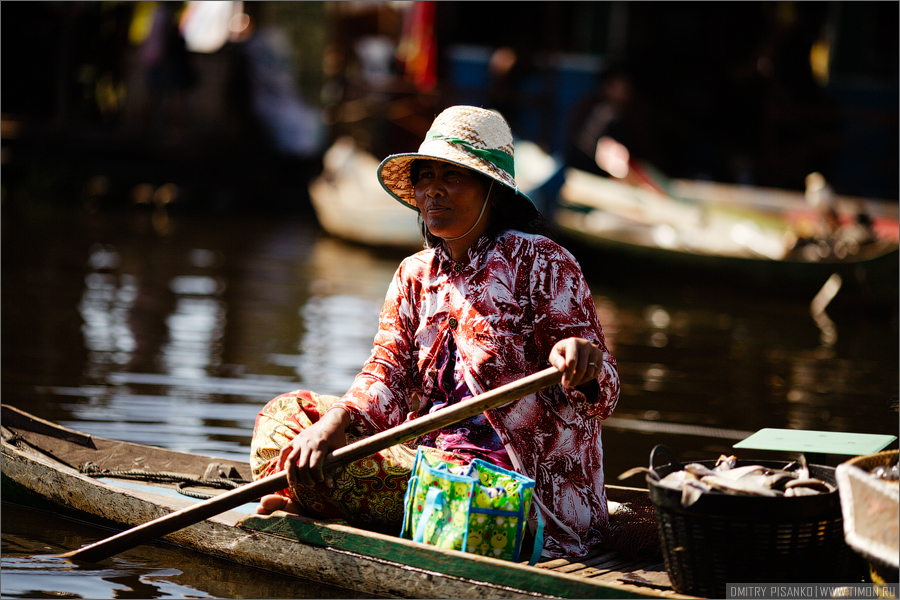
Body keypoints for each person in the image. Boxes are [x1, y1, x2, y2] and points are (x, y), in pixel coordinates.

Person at [250, 105, 620, 559]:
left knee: (332, 467)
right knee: (284, 424)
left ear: (493, 191)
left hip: (508, 494)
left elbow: (607, 390)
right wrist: (333, 424)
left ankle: (330, 503)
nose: (433, 191)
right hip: (427, 466)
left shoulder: (542, 262)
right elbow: (384, 375)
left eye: (454, 176)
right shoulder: (414, 274)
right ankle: (334, 500)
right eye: (426, 177)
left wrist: (581, 361)